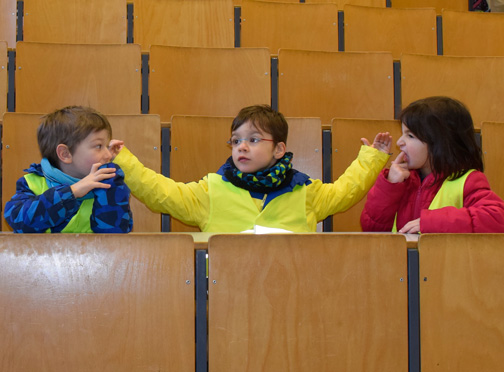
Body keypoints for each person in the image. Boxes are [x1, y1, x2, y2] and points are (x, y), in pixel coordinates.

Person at [109, 104, 391, 233]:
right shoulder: (211, 190)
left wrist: (372, 158)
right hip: (224, 294)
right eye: (236, 141)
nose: (241, 147)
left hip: (294, 290)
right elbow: (162, 193)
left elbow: (345, 192)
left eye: (253, 140)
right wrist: (123, 161)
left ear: (279, 149)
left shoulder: (304, 191)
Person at [361, 96, 504, 233]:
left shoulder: (468, 181)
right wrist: (390, 186)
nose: (399, 143)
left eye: (410, 136)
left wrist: (430, 223)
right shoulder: (400, 180)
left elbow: (498, 218)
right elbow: (371, 229)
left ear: (440, 144)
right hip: (401, 258)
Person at [4, 106, 133, 233]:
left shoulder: (109, 183)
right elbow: (18, 221)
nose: (108, 155)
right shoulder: (32, 183)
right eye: (98, 146)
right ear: (65, 154)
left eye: (107, 146)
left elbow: (115, 236)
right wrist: (72, 192)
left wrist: (110, 188)